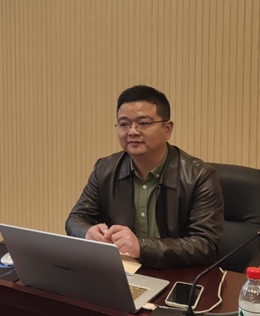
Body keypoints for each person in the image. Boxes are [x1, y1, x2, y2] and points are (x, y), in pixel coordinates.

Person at [65, 85, 224, 269]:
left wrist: (141, 247)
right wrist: (87, 232)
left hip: (176, 274)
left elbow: (206, 245)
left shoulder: (199, 176)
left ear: (167, 129)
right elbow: (76, 219)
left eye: (143, 123)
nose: (132, 131)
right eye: (124, 124)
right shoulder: (105, 169)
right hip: (123, 272)